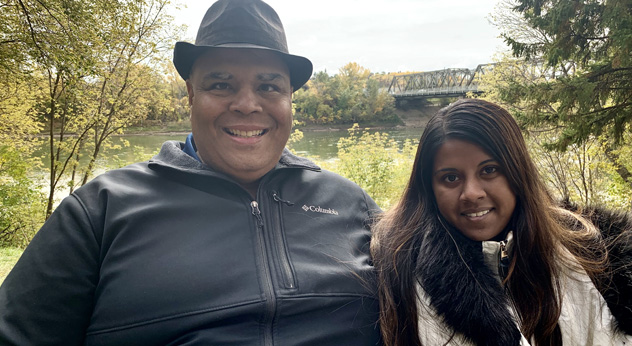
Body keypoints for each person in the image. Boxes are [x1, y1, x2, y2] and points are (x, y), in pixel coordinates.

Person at [0, 1, 382, 344]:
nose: (247, 104)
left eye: (269, 86)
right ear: (191, 95)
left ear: (289, 101)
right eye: (221, 84)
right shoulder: (101, 211)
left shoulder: (350, 202)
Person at [371, 98, 632, 346]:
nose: (471, 193)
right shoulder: (396, 263)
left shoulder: (596, 258)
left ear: (517, 172)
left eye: (489, 170)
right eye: (450, 178)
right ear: (429, 188)